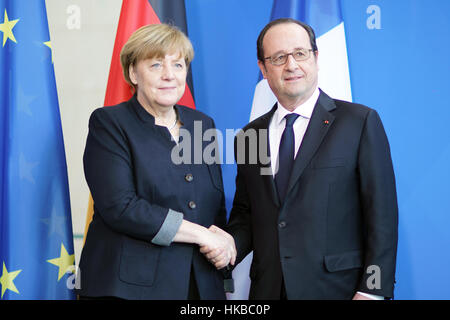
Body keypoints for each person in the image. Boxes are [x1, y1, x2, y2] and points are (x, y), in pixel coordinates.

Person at [204, 18, 398, 300]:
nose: (291, 65)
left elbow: (381, 214)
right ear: (263, 68)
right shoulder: (249, 136)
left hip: (338, 290)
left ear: (316, 58)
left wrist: (372, 291)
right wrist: (229, 242)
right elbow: (247, 214)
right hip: (268, 290)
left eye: (300, 53)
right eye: (279, 57)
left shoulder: (359, 122)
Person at [76, 24, 236, 300]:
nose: (169, 76)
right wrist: (201, 235)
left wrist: (223, 244)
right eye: (156, 65)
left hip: (200, 285)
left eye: (177, 65)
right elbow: (121, 207)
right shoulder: (110, 123)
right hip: (129, 288)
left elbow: (214, 205)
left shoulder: (202, 124)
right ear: (133, 73)